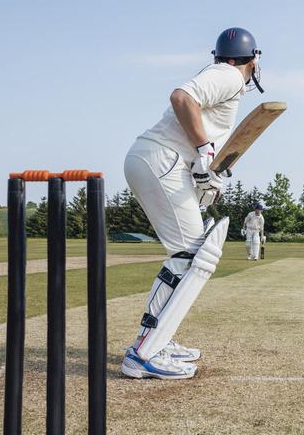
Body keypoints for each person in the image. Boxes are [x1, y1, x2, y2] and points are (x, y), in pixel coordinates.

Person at [120, 27, 265, 379]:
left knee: (187, 253)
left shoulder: (222, 74)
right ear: (252, 59)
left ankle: (158, 338)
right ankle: (143, 353)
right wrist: (204, 150)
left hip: (160, 160)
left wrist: (205, 173)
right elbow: (182, 97)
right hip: (160, 160)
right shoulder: (230, 74)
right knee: (190, 255)